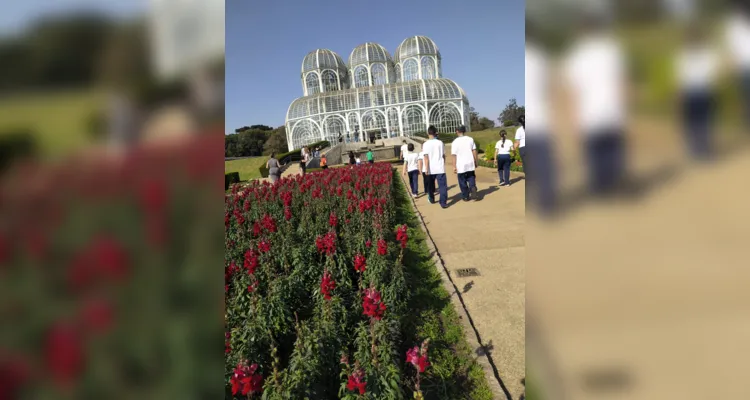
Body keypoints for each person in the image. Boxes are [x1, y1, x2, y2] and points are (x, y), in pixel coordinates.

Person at [563, 13, 627, 196]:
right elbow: (622, 82)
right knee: (613, 154)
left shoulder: (575, 56)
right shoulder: (612, 50)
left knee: (594, 156)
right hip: (613, 111)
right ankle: (615, 187)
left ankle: (602, 189)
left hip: (589, 114)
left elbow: (573, 92)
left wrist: (573, 118)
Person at [678, 23, 718, 160]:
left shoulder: (683, 55)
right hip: (705, 90)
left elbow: (681, 78)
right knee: (705, 120)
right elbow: (713, 73)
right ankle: (705, 148)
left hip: (691, 91)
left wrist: (679, 95)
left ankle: (696, 149)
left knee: (693, 121)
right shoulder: (707, 53)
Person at [422, 125, 448, 208]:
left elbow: (426, 157)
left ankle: (432, 198)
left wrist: (426, 169)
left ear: (428, 133)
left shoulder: (425, 144)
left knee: (430, 185)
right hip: (440, 167)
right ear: (435, 132)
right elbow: (443, 155)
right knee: (442, 186)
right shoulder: (440, 143)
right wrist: (443, 163)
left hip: (430, 168)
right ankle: (443, 202)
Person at [451, 126, 478, 201]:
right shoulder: (470, 139)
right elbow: (474, 151)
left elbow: (454, 155)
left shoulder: (455, 142)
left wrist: (454, 166)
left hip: (460, 164)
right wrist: (475, 161)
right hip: (470, 162)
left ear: (457, 131)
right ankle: (472, 187)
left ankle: (465, 195)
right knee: (471, 177)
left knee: (462, 180)